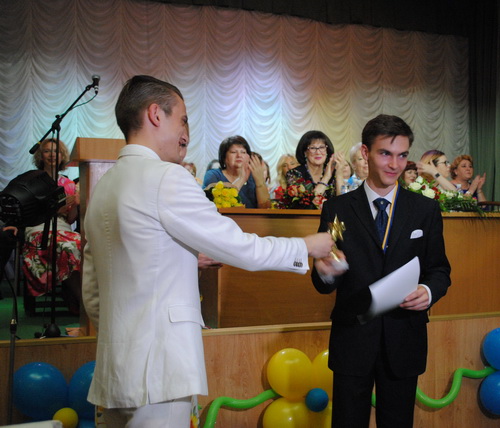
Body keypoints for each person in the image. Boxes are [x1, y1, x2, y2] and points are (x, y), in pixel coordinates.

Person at [81, 75, 335, 427]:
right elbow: (240, 247)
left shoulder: (105, 185)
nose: (186, 133)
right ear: (155, 114)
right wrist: (305, 245)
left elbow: (93, 290)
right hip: (161, 370)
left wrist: (183, 261)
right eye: (183, 119)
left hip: (116, 368)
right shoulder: (167, 177)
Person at [311, 114, 451, 427]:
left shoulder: (425, 209)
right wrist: (326, 270)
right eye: (385, 153)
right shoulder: (337, 209)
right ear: (365, 152)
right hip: (352, 339)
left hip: (404, 338)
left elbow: (439, 269)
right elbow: (322, 281)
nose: (394, 164)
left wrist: (428, 291)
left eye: (402, 155)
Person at [22, 138, 82, 314]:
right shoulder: (31, 181)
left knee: (83, 246)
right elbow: (27, 212)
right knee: (68, 247)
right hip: (38, 227)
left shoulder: (69, 184)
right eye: (47, 151)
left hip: (63, 228)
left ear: (62, 155)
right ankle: (82, 301)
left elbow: (70, 220)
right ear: (41, 156)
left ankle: (78, 298)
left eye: (56, 151)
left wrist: (75, 204)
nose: (52, 155)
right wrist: (55, 210)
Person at [201, 136, 270, 208]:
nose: (239, 155)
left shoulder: (253, 176)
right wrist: (241, 179)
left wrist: (260, 182)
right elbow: (219, 205)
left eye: (243, 152)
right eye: (233, 152)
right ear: (224, 157)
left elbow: (265, 208)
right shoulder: (213, 175)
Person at [286, 130, 348, 206]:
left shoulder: (333, 173)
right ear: (305, 152)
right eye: (313, 148)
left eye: (322, 147)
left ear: (327, 151)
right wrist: (326, 177)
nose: (318, 152)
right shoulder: (294, 173)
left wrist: (339, 173)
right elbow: (310, 204)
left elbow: (343, 203)